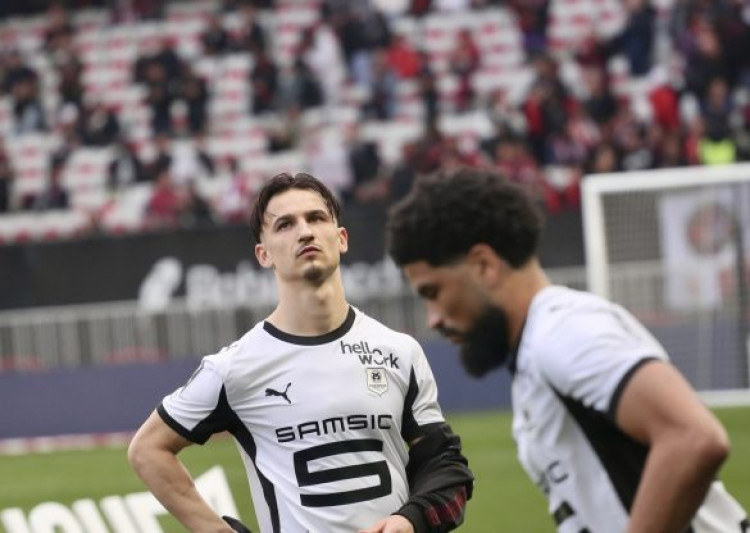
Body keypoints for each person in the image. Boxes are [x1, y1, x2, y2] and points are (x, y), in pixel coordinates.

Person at [385, 168, 749, 532]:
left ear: (484, 265)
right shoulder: (536, 348)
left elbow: (693, 439)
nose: (433, 319)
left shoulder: (562, 330)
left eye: (432, 292)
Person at [128, 172, 473, 533]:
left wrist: (409, 520)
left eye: (316, 218)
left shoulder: (399, 351)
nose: (305, 232)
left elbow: (446, 465)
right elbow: (148, 450)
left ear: (341, 238)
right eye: (285, 225)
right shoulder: (234, 368)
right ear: (264, 254)